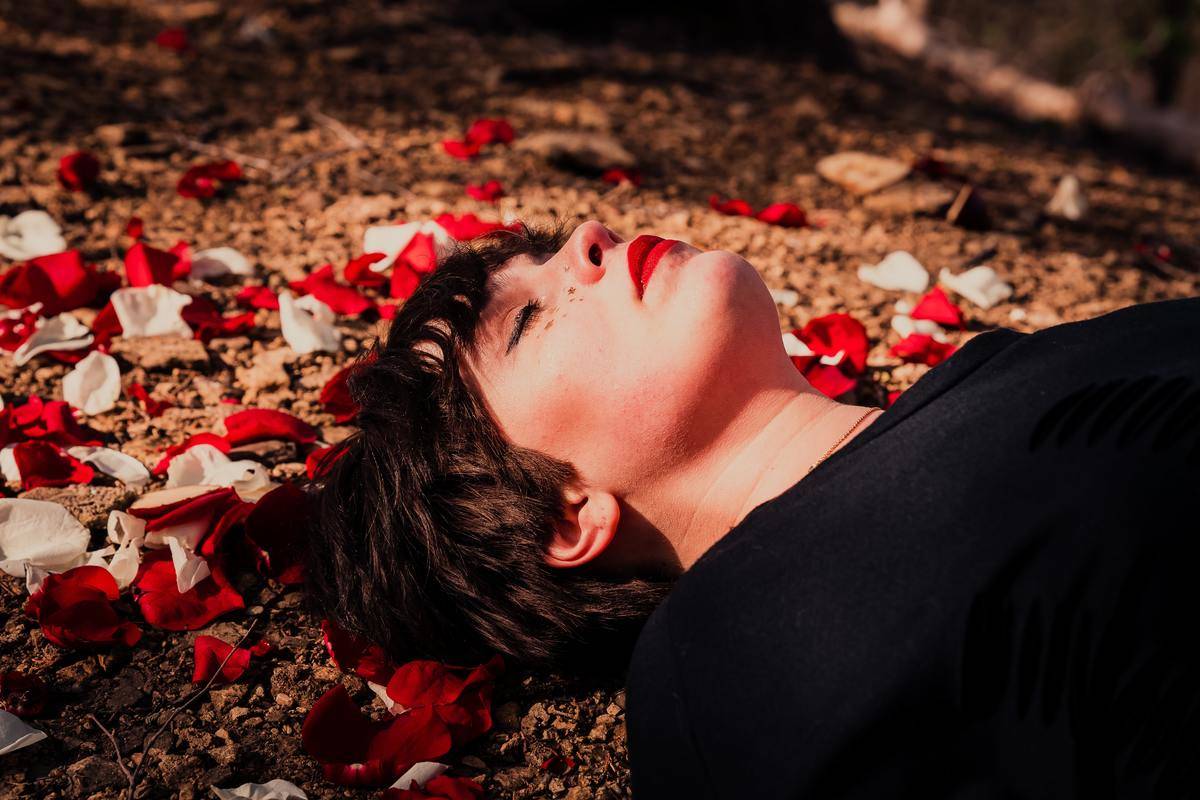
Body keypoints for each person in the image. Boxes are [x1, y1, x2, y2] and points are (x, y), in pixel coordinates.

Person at [305, 220, 1200, 798]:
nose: (589, 236)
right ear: (565, 515)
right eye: (529, 321)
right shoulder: (722, 662)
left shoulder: (1015, 361)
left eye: (546, 255)